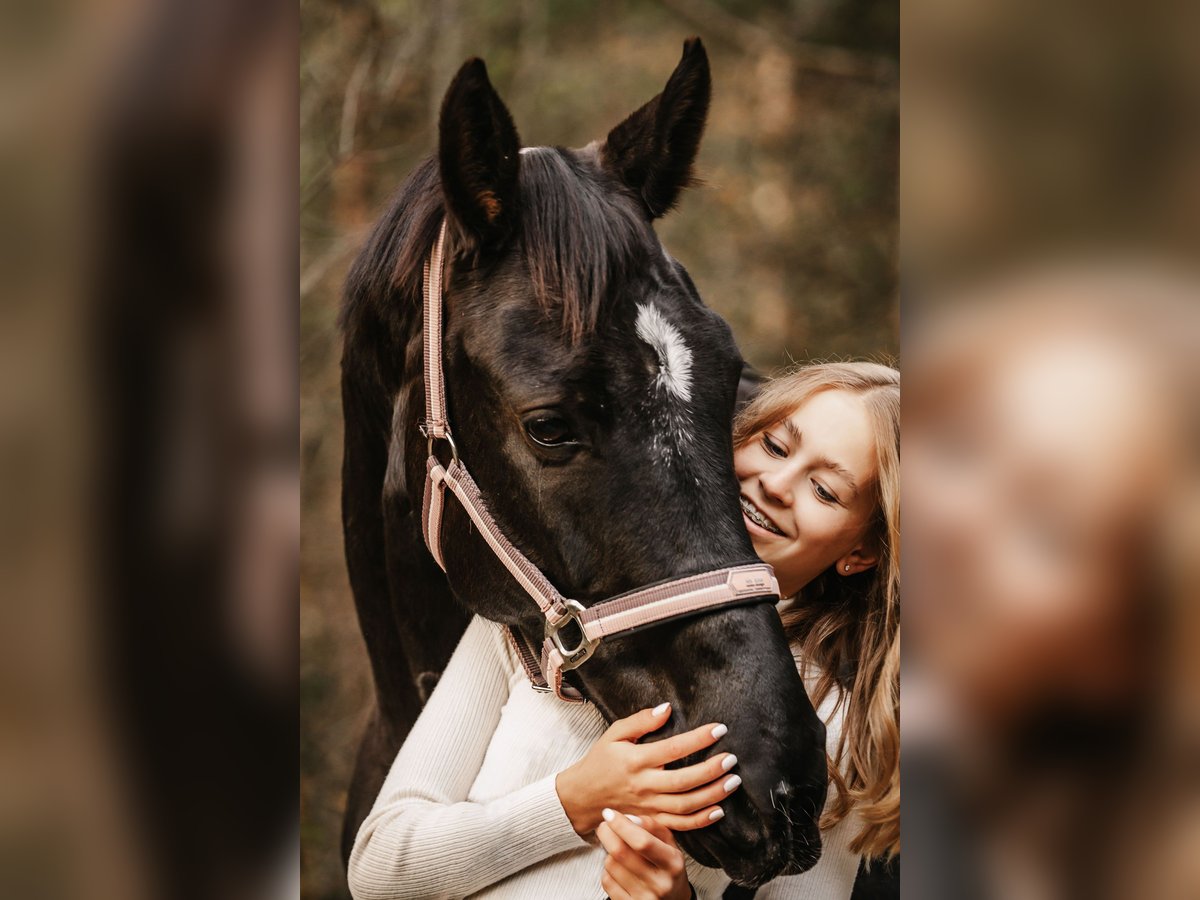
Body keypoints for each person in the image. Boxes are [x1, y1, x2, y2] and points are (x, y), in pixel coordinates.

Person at [347, 361, 900, 900]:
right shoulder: (551, 600)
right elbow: (377, 869)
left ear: (861, 551)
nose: (776, 483)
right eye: (775, 446)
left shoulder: (829, 721)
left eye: (825, 490)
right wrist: (572, 802)